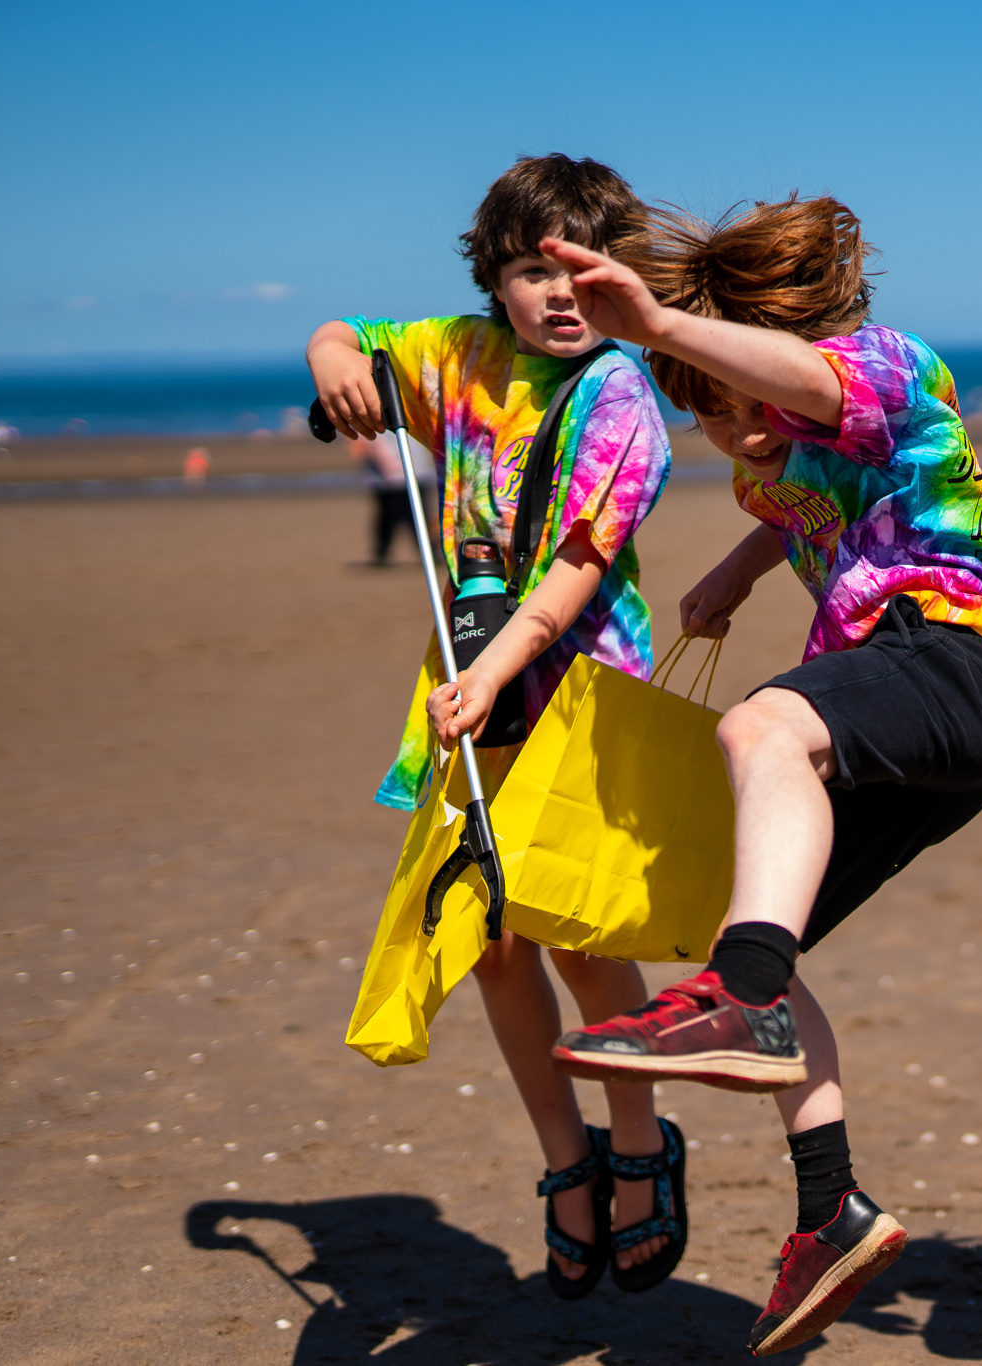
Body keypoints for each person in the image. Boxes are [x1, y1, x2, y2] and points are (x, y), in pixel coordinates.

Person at [536, 196, 982, 1355]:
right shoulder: (770, 457)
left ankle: (744, 998)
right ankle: (832, 1209)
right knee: (754, 917)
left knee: (762, 728)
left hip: (958, 656)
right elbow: (798, 488)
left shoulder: (887, 366)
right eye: (710, 417)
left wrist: (659, 326)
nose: (739, 432)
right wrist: (738, 566)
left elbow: (813, 391)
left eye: (742, 399)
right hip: (907, 725)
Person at [305, 153, 682, 1301]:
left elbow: (576, 567)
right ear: (495, 282)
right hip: (471, 685)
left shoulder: (620, 393)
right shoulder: (461, 356)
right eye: (531, 272)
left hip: (573, 684)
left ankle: (638, 1140)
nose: (559, 294)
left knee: (578, 932)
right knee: (490, 937)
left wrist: (493, 671)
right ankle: (566, 1157)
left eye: (583, 270)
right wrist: (334, 361)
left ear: (620, 276)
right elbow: (343, 335)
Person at [348, 430, 436, 565]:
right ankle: (382, 551)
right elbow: (365, 441)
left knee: (420, 518)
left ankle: (430, 552)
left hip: (417, 473)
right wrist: (385, 463)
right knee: (388, 518)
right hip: (388, 479)